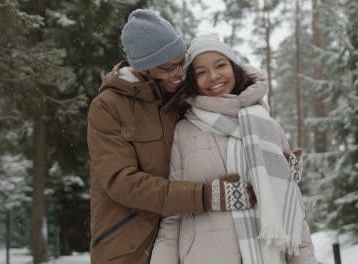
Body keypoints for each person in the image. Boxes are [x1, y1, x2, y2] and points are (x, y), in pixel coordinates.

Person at [87, 10, 259, 264]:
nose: (180, 73)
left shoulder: (181, 98)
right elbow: (121, 183)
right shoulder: (108, 107)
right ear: (143, 68)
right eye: (169, 68)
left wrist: (268, 156)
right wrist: (203, 196)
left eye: (182, 61)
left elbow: (225, 120)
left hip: (187, 238)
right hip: (130, 246)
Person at [150, 35, 318, 264]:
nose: (213, 76)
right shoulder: (183, 131)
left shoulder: (269, 128)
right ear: (192, 81)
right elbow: (172, 215)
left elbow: (292, 209)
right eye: (201, 72)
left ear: (234, 69)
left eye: (221, 65)